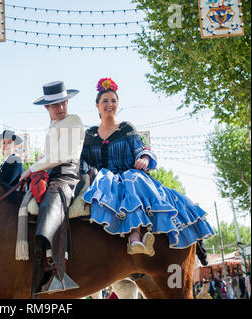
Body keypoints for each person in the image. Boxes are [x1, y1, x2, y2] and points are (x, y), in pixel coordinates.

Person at [80, 77, 215, 256]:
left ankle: (136, 237)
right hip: (105, 180)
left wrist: (143, 158)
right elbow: (81, 159)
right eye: (105, 101)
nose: (109, 104)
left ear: (118, 104)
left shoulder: (127, 128)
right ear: (97, 105)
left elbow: (141, 149)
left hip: (131, 177)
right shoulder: (89, 135)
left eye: (113, 100)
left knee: (132, 179)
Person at [19, 80, 85, 295]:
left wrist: (30, 170)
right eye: (56, 105)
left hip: (67, 174)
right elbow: (49, 155)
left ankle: (56, 265)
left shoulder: (73, 120)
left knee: (53, 200)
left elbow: (61, 155)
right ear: (46, 107)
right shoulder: (53, 126)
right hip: (52, 173)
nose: (61, 108)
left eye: (64, 103)